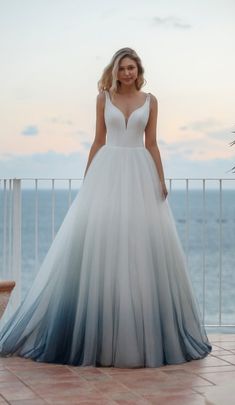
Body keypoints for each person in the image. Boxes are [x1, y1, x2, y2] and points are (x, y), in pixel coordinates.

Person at [0, 47, 212, 368]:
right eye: (122, 68)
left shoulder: (151, 101)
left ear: (138, 70)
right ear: (114, 71)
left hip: (140, 173)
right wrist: (88, 181)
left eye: (131, 68)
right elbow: (98, 141)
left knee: (138, 247)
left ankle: (140, 332)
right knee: (103, 244)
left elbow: (151, 142)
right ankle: (97, 333)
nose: (127, 73)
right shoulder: (103, 99)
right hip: (107, 171)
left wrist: (160, 179)